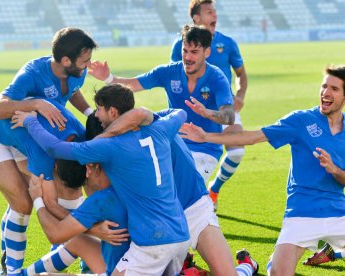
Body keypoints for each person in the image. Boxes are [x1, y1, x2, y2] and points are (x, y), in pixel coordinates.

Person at [179, 65, 345, 275]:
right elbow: (253, 136)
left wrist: (334, 169)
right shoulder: (301, 121)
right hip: (302, 213)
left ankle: (334, 252)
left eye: (334, 89)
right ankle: (270, 263)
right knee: (278, 273)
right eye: (324, 86)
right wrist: (206, 137)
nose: (326, 93)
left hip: (339, 212)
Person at [12, 84, 190, 275]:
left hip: (153, 242)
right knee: (78, 241)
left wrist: (30, 122)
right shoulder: (159, 129)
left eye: (98, 109)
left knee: (77, 240)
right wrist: (144, 114)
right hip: (180, 234)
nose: (95, 114)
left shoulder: (108, 150)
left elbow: (55, 148)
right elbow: (180, 113)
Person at [0, 27, 97, 275]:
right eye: (85, 61)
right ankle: (10, 271)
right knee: (22, 201)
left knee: (64, 193)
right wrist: (38, 103)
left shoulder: (76, 74)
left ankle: (61, 264)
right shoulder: (32, 73)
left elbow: (72, 91)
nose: (88, 66)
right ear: (65, 61)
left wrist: (90, 113)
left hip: (31, 135)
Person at [101, 108, 259, 276]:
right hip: (162, 224)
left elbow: (178, 112)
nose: (96, 114)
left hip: (193, 207)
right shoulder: (114, 144)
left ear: (112, 112)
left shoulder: (155, 124)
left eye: (98, 109)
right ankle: (182, 265)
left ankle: (246, 266)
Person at [88, 24, 234, 197]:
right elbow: (133, 84)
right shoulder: (169, 71)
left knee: (182, 194)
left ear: (207, 53)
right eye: (185, 50)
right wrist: (108, 78)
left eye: (194, 52)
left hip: (205, 150)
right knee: (151, 188)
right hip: (171, 144)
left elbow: (229, 116)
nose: (187, 57)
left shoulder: (217, 78)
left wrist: (207, 112)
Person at [0, 99, 86, 275]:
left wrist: (78, 225)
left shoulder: (82, 136)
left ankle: (26, 272)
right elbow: (50, 205)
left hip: (22, 133)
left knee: (67, 197)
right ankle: (10, 272)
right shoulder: (42, 156)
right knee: (22, 203)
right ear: (54, 166)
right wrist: (40, 201)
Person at [170, 0, 248, 210]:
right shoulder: (180, 45)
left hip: (223, 109)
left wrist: (239, 95)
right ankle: (197, 202)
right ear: (196, 18)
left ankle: (214, 190)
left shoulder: (227, 42)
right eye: (208, 11)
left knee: (237, 152)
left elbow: (241, 74)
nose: (214, 15)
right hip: (195, 111)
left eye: (214, 11)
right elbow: (175, 77)